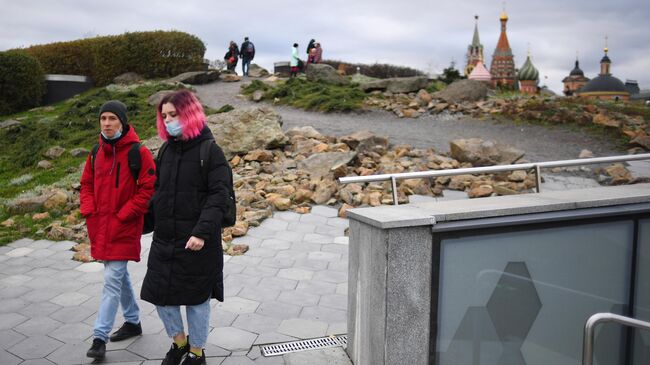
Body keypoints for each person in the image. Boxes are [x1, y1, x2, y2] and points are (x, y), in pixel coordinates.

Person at [142, 89, 230, 365]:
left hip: (197, 242)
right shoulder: (166, 149)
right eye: (164, 116)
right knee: (159, 295)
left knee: (196, 300)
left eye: (174, 114)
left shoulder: (210, 150)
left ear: (189, 114)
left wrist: (202, 232)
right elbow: (159, 193)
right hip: (166, 239)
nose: (168, 120)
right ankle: (180, 343)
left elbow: (220, 195)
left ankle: (197, 352)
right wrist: (142, 222)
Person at [80, 100, 156, 360]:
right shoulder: (95, 153)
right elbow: (86, 184)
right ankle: (133, 321)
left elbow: (148, 189)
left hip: (124, 226)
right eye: (103, 119)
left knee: (112, 281)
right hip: (100, 226)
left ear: (122, 121)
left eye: (112, 118)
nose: (107, 123)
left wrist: (124, 214)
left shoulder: (138, 152)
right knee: (118, 276)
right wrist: (89, 210)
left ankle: (99, 337)